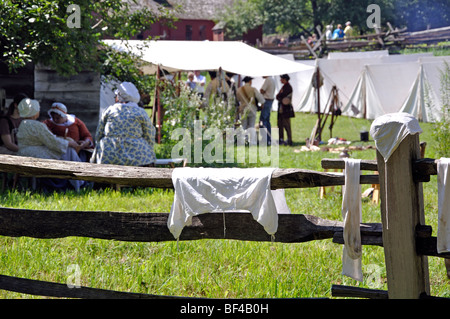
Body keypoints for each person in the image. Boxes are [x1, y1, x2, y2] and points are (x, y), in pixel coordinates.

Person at [16, 98, 85, 191]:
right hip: (36, 154)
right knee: (69, 151)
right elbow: (52, 142)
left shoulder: (23, 124)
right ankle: (78, 182)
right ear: (34, 112)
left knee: (65, 150)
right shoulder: (37, 125)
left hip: (23, 152)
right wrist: (69, 143)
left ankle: (73, 182)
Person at [91, 81, 156, 167]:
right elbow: (150, 134)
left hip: (109, 154)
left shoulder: (109, 110)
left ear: (119, 96)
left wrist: (100, 146)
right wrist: (147, 148)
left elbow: (99, 134)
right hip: (137, 155)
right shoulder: (140, 112)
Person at [236, 76, 265, 146]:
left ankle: (242, 141)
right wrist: (261, 106)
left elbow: (237, 100)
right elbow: (261, 99)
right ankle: (252, 142)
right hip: (252, 108)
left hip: (243, 109)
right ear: (250, 82)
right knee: (251, 125)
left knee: (243, 125)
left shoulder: (239, 89)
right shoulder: (253, 89)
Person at [276, 74, 295, 146]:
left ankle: (289, 140)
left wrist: (279, 97)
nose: (280, 80)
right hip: (282, 108)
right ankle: (281, 139)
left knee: (286, 125)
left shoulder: (288, 87)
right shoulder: (285, 86)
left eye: (281, 79)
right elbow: (278, 96)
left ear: (284, 79)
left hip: (286, 109)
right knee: (280, 124)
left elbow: (280, 96)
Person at [259, 76, 275, 145]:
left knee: (263, 120)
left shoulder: (268, 80)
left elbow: (262, 90)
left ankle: (264, 138)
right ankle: (268, 138)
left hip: (266, 100)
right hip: (270, 100)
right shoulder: (272, 80)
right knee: (267, 120)